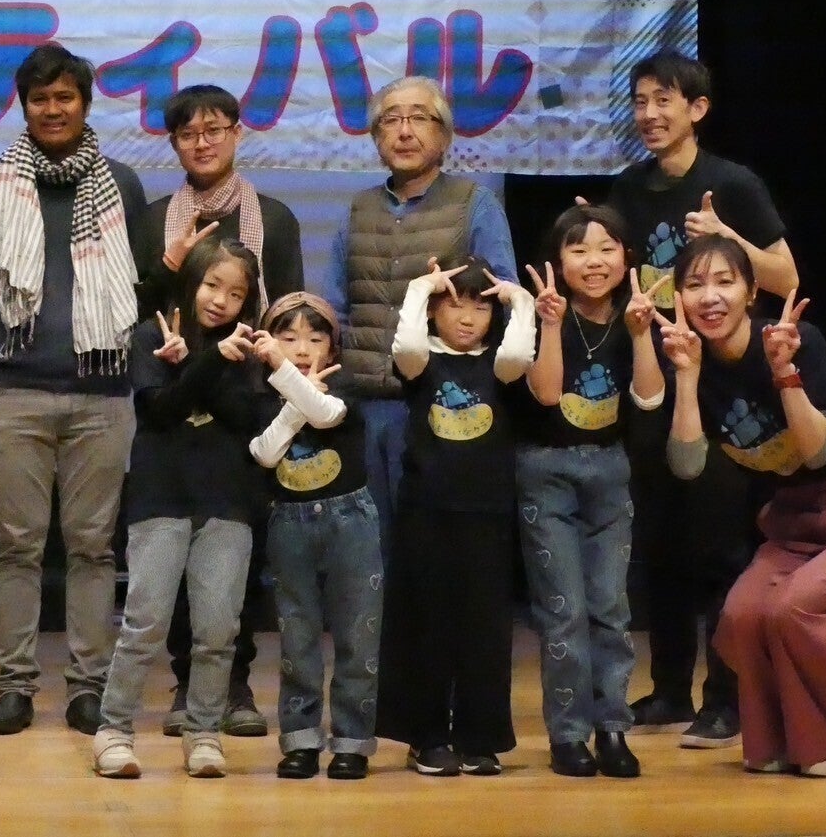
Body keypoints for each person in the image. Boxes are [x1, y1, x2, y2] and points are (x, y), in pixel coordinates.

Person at [658, 236, 826, 777]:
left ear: (752, 291)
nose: (710, 297)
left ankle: (823, 744)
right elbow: (686, 464)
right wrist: (685, 375)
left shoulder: (794, 341)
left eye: (725, 282)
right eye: (695, 284)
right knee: (742, 614)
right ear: (678, 298)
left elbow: (818, 451)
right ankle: (773, 742)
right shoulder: (689, 359)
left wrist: (785, 373)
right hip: (794, 521)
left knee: (793, 610)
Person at [604, 49, 797, 749]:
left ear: (697, 109)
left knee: (719, 542)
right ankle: (667, 690)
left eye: (664, 100)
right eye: (640, 101)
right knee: (659, 541)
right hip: (652, 381)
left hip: (719, 386)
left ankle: (726, 697)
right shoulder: (627, 188)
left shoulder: (731, 183)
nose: (649, 114)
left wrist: (726, 238)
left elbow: (784, 276)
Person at [0, 41, 147, 736]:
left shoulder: (121, 184)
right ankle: (13, 686)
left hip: (103, 393)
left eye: (65, 96)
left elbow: (140, 285)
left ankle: (88, 686)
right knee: (15, 547)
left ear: (85, 104)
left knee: (94, 548)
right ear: (24, 106)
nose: (53, 108)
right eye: (40, 98)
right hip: (12, 393)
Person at [130, 84, 303, 738]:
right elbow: (137, 307)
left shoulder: (274, 219)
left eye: (214, 130)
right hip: (174, 395)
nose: (202, 143)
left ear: (237, 132)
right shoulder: (155, 219)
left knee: (238, 550)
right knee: (177, 552)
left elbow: (287, 310)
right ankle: (187, 682)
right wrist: (168, 265)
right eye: (188, 134)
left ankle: (234, 683)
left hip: (246, 396)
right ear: (173, 143)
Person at [92, 238, 264, 780]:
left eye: (235, 293)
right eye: (212, 285)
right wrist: (207, 361)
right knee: (144, 623)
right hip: (161, 497)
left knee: (217, 630)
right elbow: (160, 409)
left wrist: (197, 364)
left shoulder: (250, 349)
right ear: (192, 280)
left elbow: (244, 418)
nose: (221, 301)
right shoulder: (154, 333)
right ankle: (114, 731)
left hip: (227, 501)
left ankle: (204, 732)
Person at [324, 76, 516, 552]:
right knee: (370, 550)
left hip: (441, 404)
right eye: (391, 120)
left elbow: (503, 302)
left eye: (418, 118)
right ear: (376, 138)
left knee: (433, 549)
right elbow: (336, 309)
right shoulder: (358, 209)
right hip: (365, 406)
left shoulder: (475, 204)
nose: (404, 131)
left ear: (445, 136)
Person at [515, 205, 666, 777]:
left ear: (627, 258)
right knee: (564, 611)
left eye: (606, 249)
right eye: (578, 250)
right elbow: (547, 395)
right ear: (557, 261)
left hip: (610, 471)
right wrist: (551, 325)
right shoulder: (539, 315)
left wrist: (643, 335)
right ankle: (568, 734)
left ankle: (613, 729)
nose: (594, 261)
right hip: (547, 470)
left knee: (610, 608)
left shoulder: (636, 316)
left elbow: (649, 398)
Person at [377, 257, 534, 778]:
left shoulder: (500, 365)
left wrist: (521, 301)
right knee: (428, 625)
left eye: (480, 308)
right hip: (425, 512)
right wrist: (420, 287)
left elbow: (519, 356)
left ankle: (479, 737)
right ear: (433, 311)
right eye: (454, 305)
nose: (467, 318)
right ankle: (426, 737)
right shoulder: (422, 362)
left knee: (484, 629)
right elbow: (406, 347)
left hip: (487, 513)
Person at [247, 290, 378, 780]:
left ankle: (352, 741)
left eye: (315, 339)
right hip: (289, 523)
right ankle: (300, 740)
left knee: (358, 636)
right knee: (297, 638)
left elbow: (325, 414)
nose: (302, 349)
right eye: (288, 338)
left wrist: (292, 382)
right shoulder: (264, 397)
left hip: (350, 522)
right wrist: (292, 396)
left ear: (333, 347)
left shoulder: (345, 385)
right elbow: (265, 453)